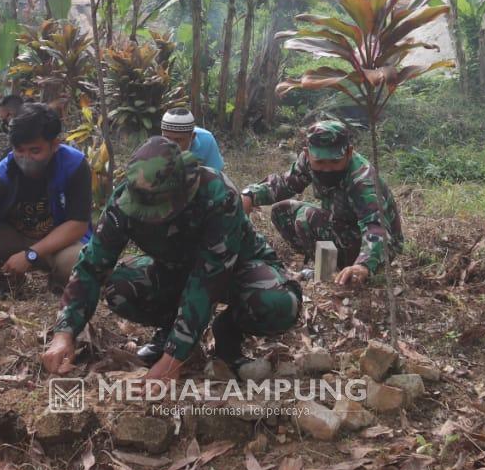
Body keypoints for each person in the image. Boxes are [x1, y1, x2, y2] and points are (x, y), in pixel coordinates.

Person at [41, 137, 302, 380]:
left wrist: (172, 361)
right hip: (177, 272)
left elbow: (207, 282)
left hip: (237, 271)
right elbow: (91, 266)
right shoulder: (124, 202)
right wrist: (64, 334)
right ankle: (168, 331)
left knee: (278, 305)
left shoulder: (217, 194)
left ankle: (228, 329)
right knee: (120, 287)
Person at [0, 103, 91, 299]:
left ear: (54, 144)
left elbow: (77, 225)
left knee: (80, 261)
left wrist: (31, 254)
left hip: (60, 243)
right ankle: (9, 284)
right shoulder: (1, 175)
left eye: (35, 151)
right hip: (16, 238)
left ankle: (59, 288)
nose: (26, 158)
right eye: (20, 150)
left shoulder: (74, 165)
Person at [240, 119, 401, 287]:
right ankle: (327, 268)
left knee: (307, 216)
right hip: (341, 222)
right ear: (307, 153)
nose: (327, 168)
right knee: (281, 211)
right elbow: (284, 184)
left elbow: (376, 227)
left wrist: (365, 264)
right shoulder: (307, 160)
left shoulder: (362, 180)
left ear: (349, 153)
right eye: (320, 162)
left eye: (334, 161)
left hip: (375, 244)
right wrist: (249, 195)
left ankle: (340, 272)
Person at [160, 108, 225, 173]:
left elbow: (217, 175)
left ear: (192, 136)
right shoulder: (155, 144)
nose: (171, 145)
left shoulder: (207, 140)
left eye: (178, 140)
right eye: (167, 138)